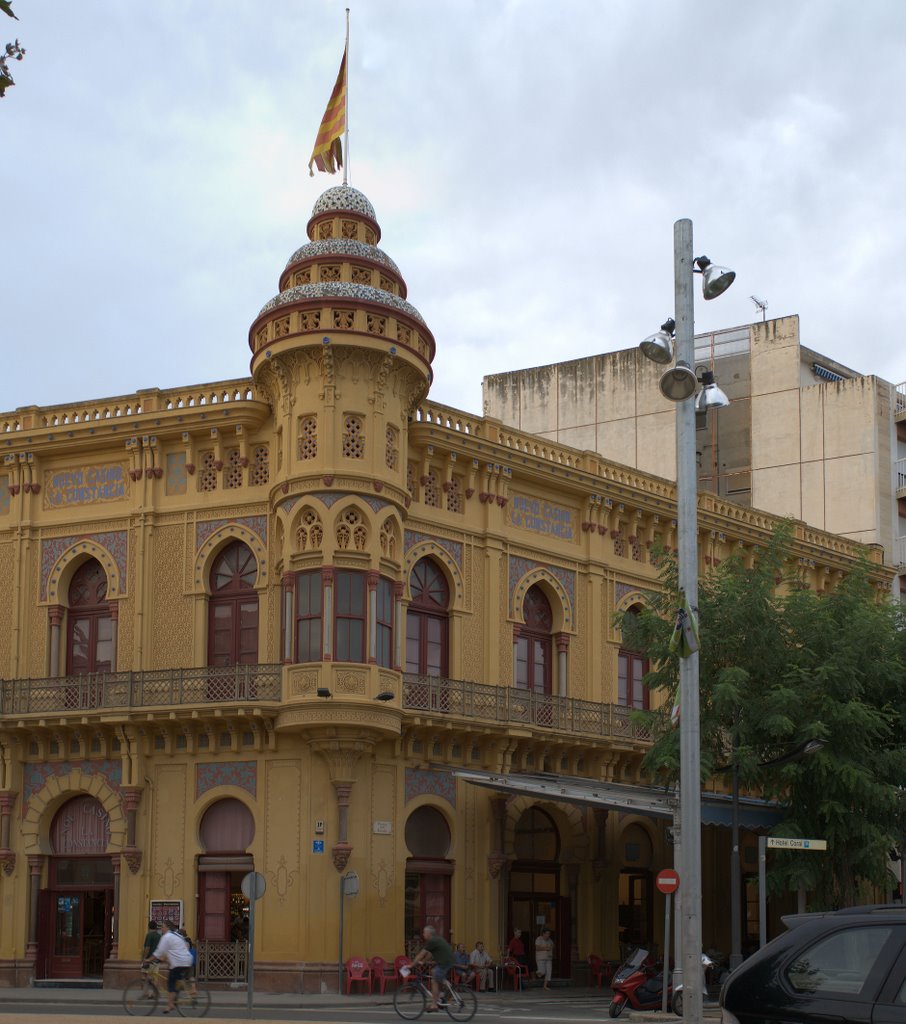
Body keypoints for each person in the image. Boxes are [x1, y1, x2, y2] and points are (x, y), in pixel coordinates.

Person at [147, 920, 194, 1014]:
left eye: (163, 927)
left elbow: (158, 952)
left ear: (167, 927)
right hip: (187, 960)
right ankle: (178, 994)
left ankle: (170, 1005)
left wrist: (148, 960)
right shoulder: (177, 935)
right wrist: (165, 959)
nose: (161, 928)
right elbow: (174, 949)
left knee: (170, 983)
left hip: (179, 962)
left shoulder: (167, 937)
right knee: (176, 979)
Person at [413, 924, 455, 1013]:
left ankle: (434, 1005)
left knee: (434, 980)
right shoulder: (437, 939)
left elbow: (421, 954)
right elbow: (430, 954)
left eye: (424, 933)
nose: (423, 934)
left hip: (445, 962)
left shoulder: (432, 941)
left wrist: (411, 964)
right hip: (447, 961)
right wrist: (423, 962)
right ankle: (444, 994)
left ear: (428, 934)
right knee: (434, 972)